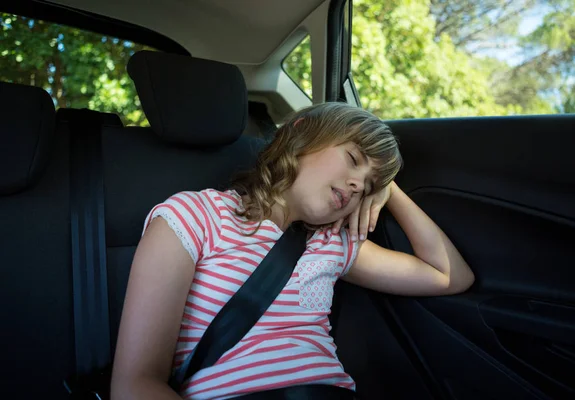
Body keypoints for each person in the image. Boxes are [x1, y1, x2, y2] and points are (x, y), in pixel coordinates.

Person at [111, 103, 474, 400]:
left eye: (367, 187)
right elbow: (135, 385)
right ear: (300, 133)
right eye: (353, 158)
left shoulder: (334, 243)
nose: (357, 184)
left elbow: (448, 275)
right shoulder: (194, 217)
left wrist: (389, 189)